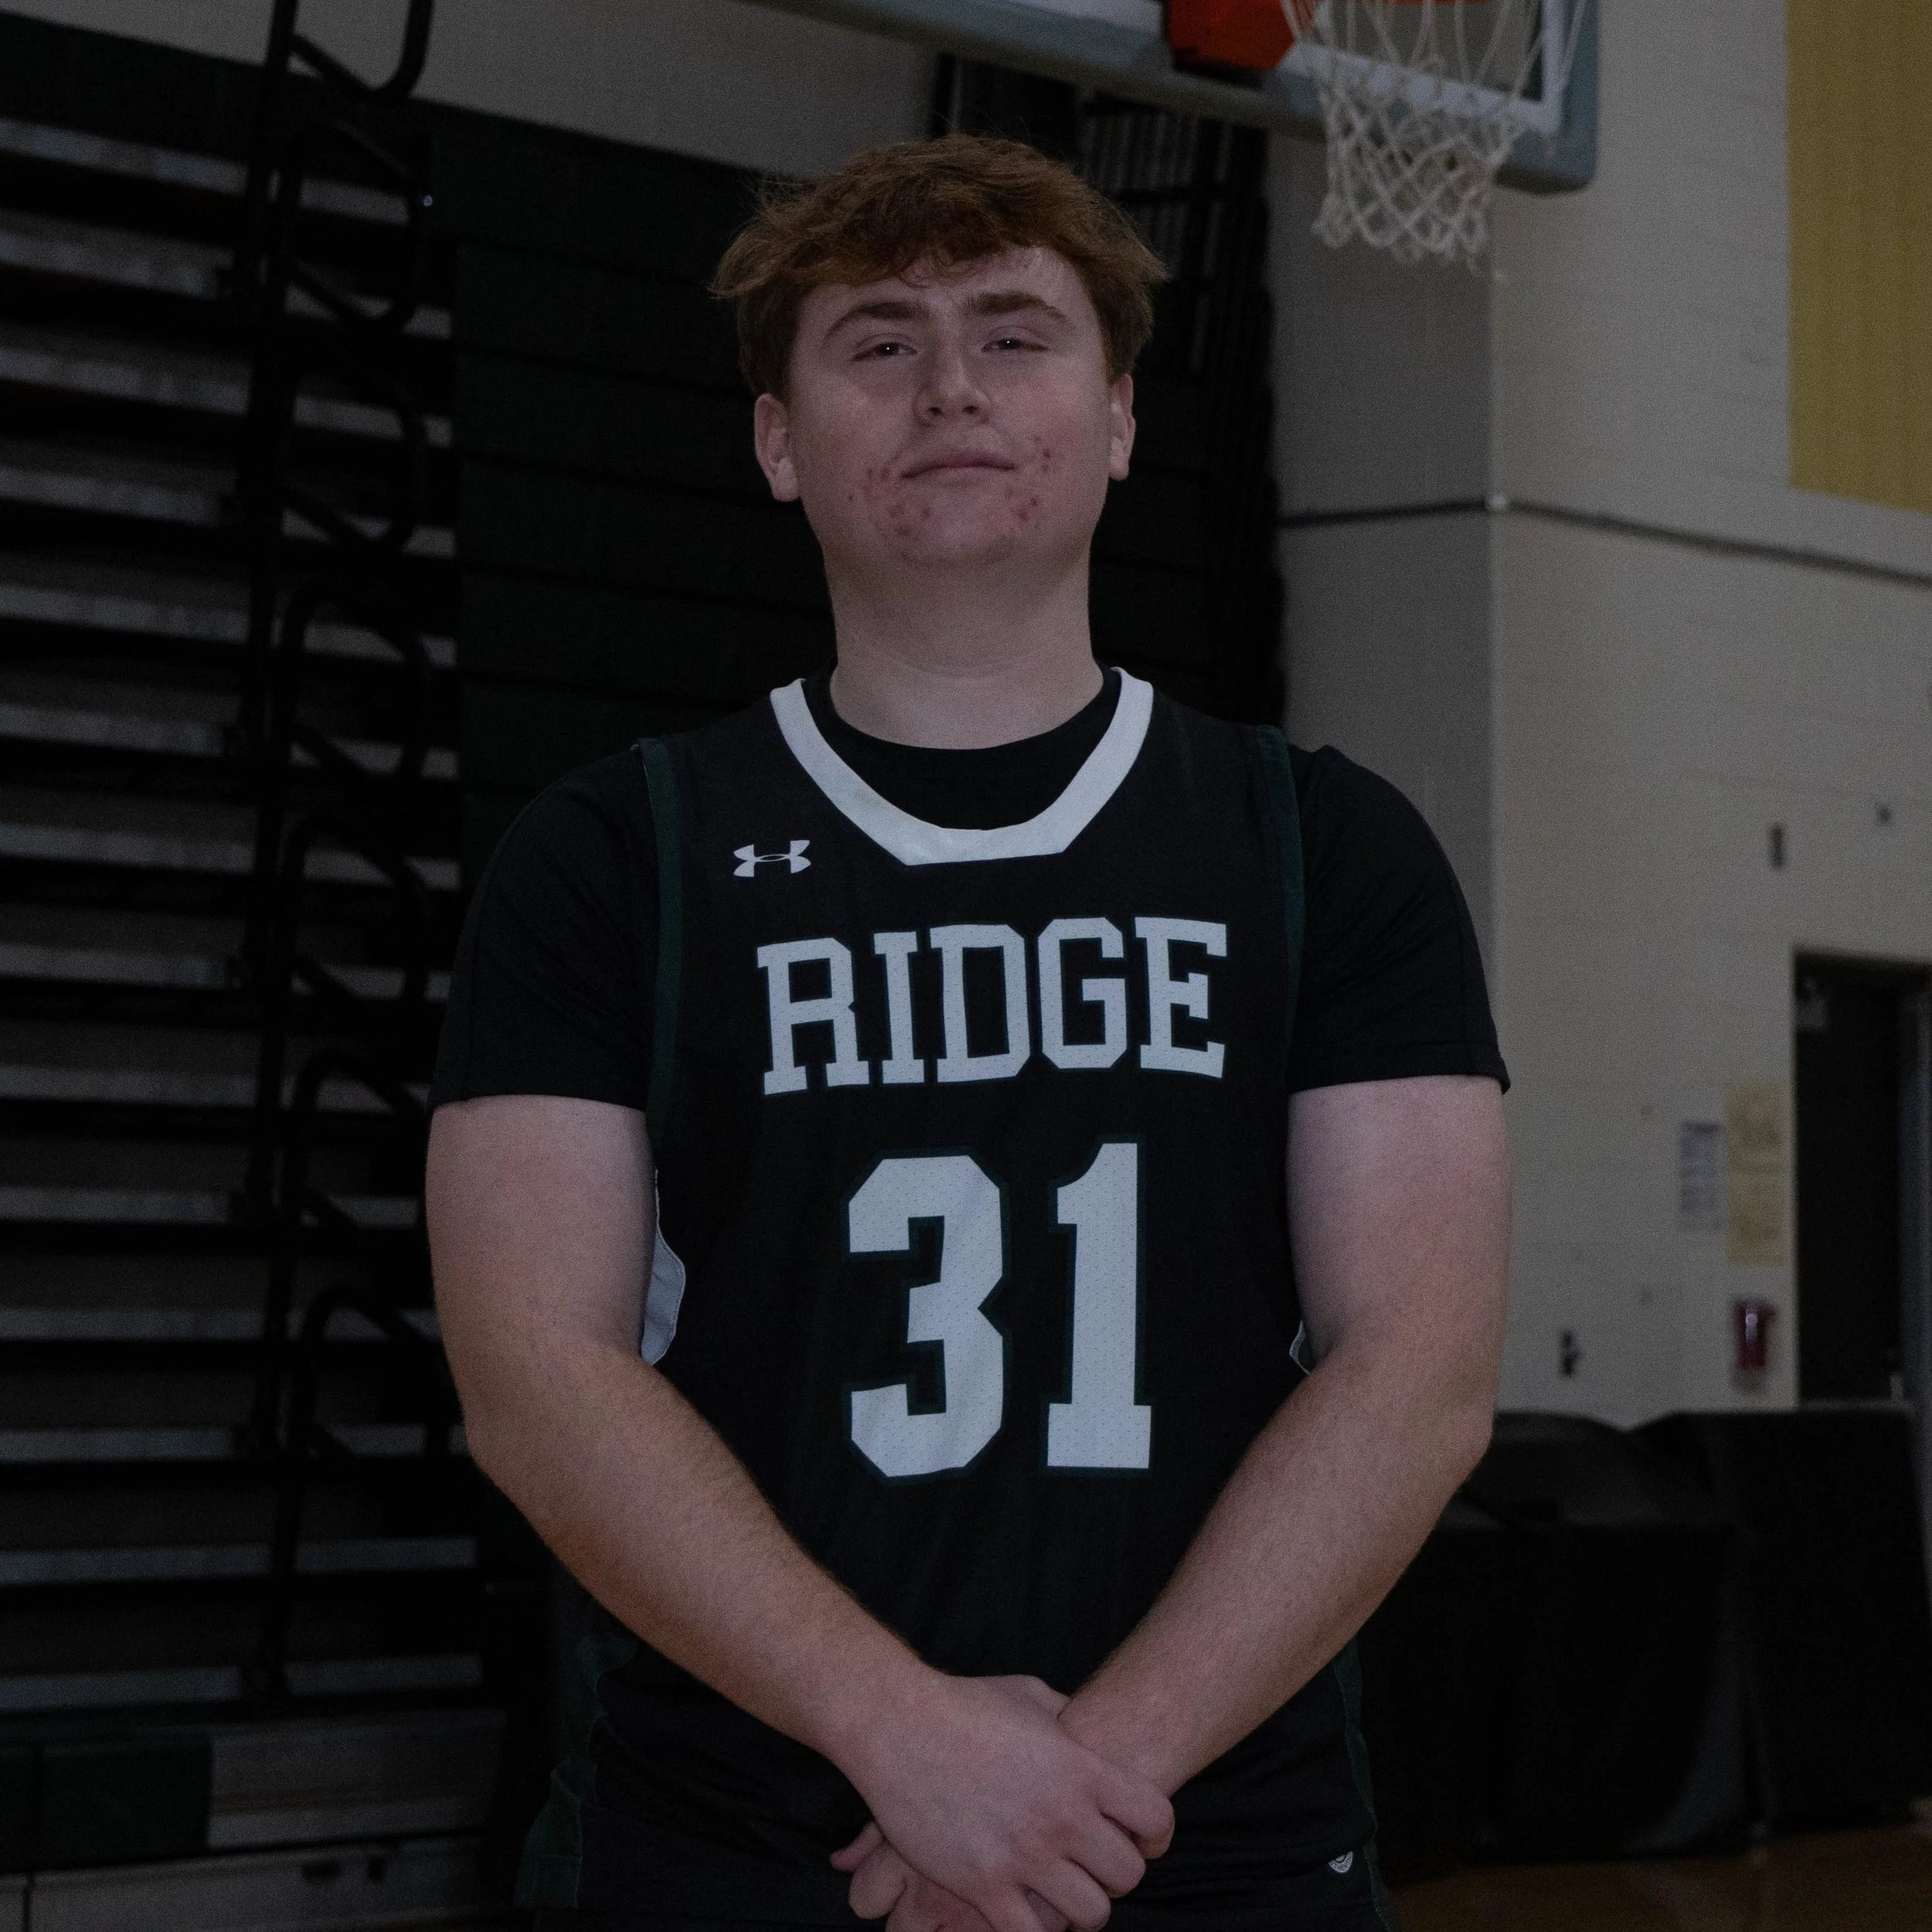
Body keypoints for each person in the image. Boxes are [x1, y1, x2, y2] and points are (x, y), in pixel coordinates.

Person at [427, 134, 1510, 1932]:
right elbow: (535, 1378)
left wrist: (1075, 1785)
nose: (948, 386)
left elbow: (1417, 1375)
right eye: (876, 342)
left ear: (1116, 419)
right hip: (736, 1837)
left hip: (1204, 1839)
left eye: (1013, 335)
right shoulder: (617, 855)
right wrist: (907, 1740)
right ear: (779, 442)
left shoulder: (1321, 844)